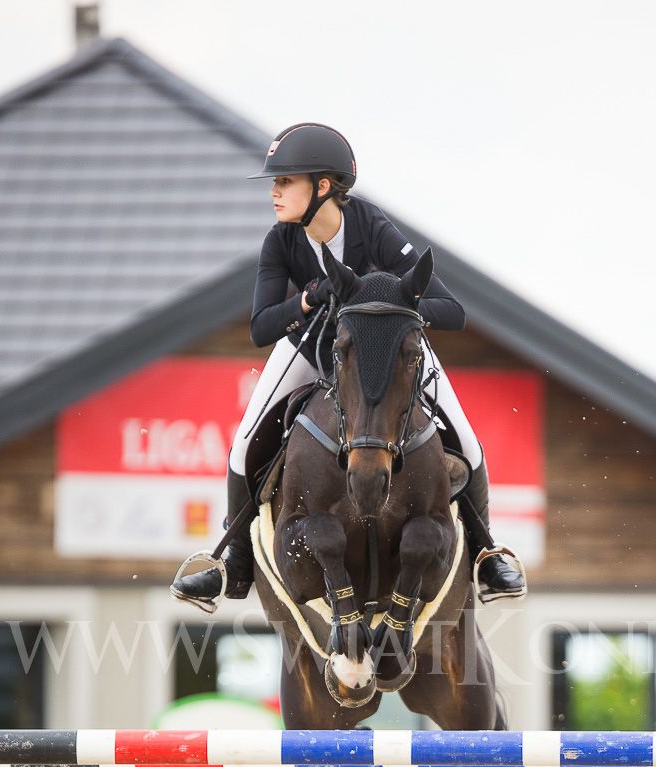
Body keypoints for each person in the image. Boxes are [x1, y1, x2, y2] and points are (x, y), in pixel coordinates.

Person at [171, 122, 526, 610]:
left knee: (465, 439)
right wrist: (309, 298)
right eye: (275, 183)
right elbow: (260, 327)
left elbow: (452, 311)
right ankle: (233, 561)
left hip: (387, 350)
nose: (274, 192)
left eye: (285, 181)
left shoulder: (370, 226)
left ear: (322, 186)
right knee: (244, 445)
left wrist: (390, 311)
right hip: (311, 348)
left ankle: (486, 554)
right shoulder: (281, 241)